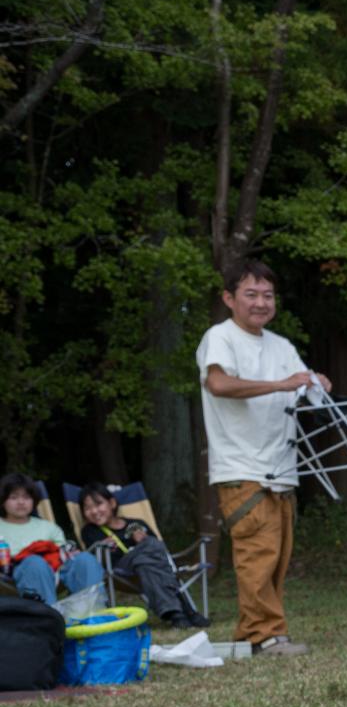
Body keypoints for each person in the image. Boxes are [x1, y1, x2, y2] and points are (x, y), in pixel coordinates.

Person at [196, 259, 329, 658]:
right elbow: (218, 383)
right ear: (229, 298)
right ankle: (262, 635)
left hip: (282, 468)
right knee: (257, 551)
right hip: (241, 468)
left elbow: (303, 389)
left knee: (277, 556)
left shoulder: (281, 345)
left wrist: (316, 383)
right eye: (250, 294)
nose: (260, 302)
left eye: (267, 295)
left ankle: (264, 632)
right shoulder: (220, 337)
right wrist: (281, 384)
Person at [77, 482, 210, 628]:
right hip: (121, 571)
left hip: (146, 568)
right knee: (150, 546)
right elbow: (97, 560)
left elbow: (158, 551)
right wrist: (105, 546)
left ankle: (175, 614)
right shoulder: (90, 531)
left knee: (147, 558)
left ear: (112, 503)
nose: (94, 511)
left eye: (98, 504)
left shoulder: (134, 524)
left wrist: (143, 539)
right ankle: (188, 610)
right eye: (88, 508)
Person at [0, 472, 105, 606]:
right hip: (12, 575)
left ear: (34, 500)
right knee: (35, 563)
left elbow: (64, 553)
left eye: (26, 497)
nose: (21, 502)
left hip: (56, 571)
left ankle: (93, 612)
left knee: (85, 559)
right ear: (3, 500)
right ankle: (48, 620)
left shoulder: (48, 527)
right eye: (13, 497)